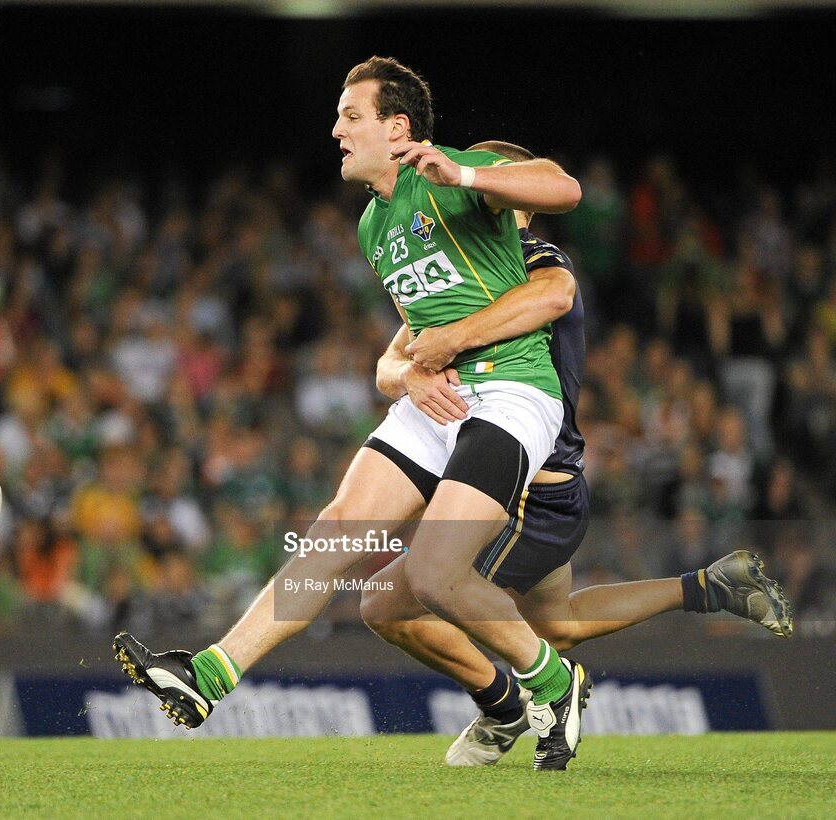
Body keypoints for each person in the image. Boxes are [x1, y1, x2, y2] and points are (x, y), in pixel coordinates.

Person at [116, 55, 596, 771]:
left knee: (434, 574)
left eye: (350, 116)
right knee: (334, 532)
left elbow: (565, 188)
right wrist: (408, 374)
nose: (336, 130)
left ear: (396, 128)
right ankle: (209, 675)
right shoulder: (374, 224)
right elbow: (408, 340)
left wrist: (465, 176)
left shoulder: (449, 174)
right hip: (440, 398)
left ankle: (554, 683)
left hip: (513, 391)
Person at [360, 142, 792, 769]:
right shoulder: (464, 274)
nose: (454, 197)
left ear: (515, 198)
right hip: (539, 484)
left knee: (395, 602)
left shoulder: (534, 259)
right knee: (556, 624)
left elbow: (556, 293)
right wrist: (406, 373)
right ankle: (708, 587)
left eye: (476, 184)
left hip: (528, 493)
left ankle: (506, 704)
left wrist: (443, 342)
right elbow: (389, 361)